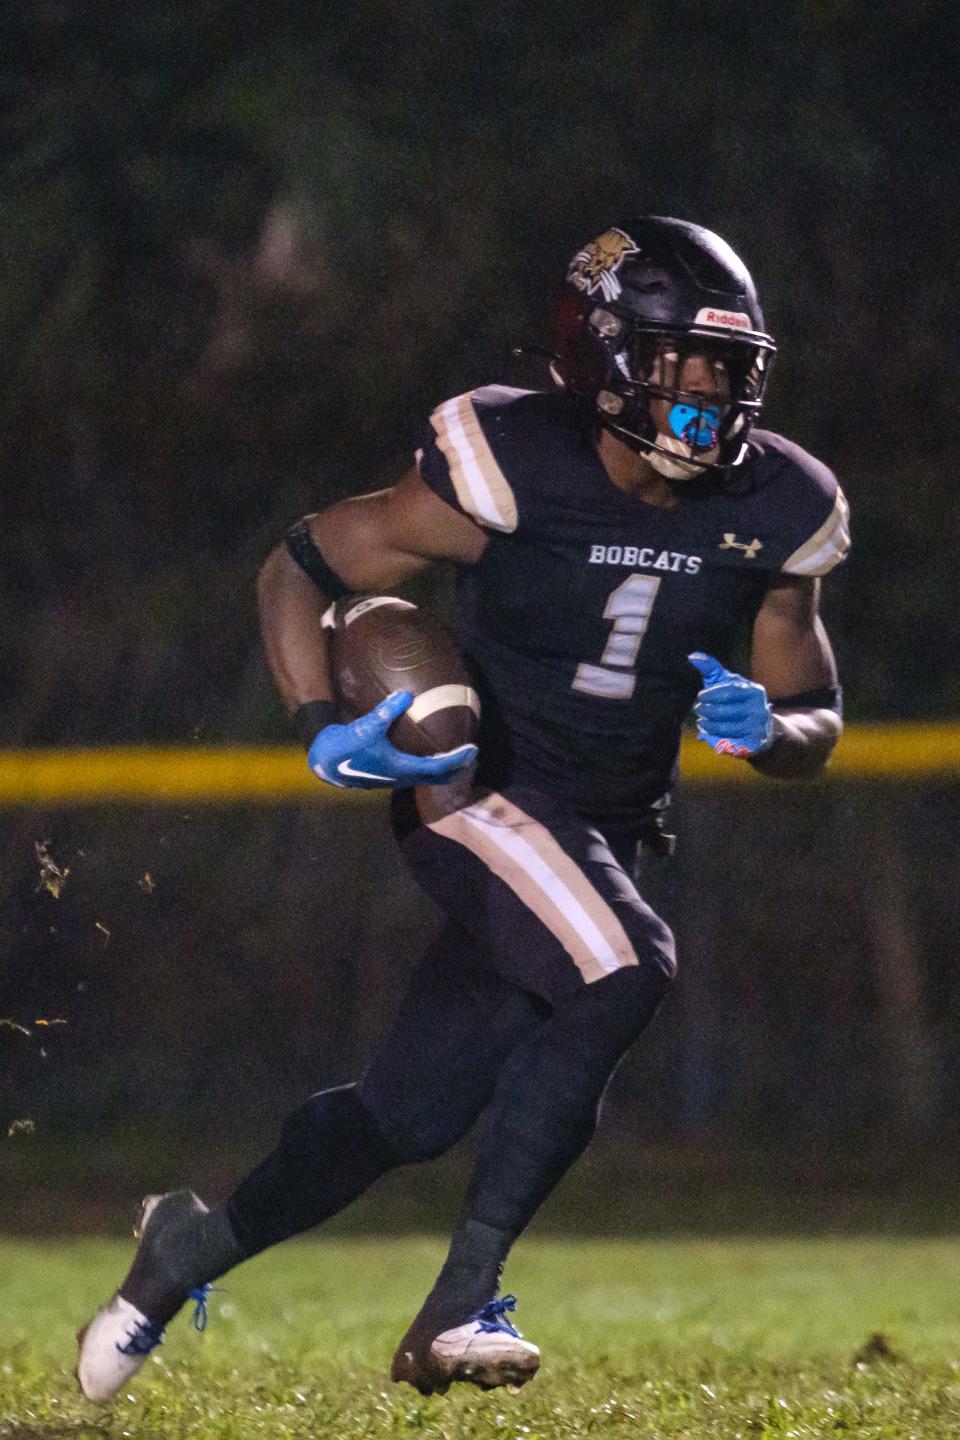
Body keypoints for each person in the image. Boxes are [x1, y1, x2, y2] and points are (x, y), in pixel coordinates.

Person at [77, 216, 849, 1401]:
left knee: (410, 1113)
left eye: (725, 369)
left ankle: (187, 1250)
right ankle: (458, 1304)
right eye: (675, 363)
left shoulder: (781, 502)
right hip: (477, 788)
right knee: (624, 965)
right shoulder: (506, 459)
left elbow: (817, 717)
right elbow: (301, 566)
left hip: (602, 826)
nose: (705, 396)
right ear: (599, 356)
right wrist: (312, 723)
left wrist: (775, 730)